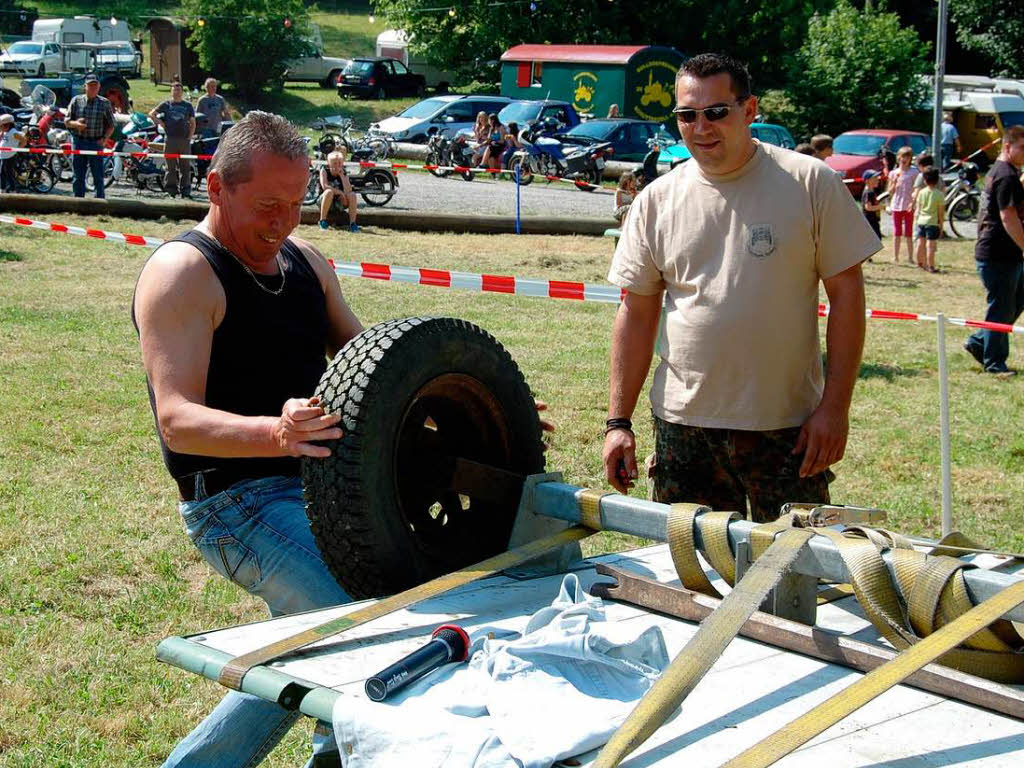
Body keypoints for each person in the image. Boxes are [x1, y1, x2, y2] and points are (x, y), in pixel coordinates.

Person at [132, 111, 360, 767]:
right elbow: (176, 417)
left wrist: (459, 391)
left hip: (319, 489)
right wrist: (276, 434)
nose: (283, 223)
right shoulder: (184, 273)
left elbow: (370, 362)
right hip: (232, 504)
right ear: (216, 188)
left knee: (318, 640)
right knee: (354, 620)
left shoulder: (308, 263)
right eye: (266, 205)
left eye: (296, 204)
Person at [602, 53, 878, 522]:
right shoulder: (657, 199)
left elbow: (848, 297)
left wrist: (835, 409)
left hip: (786, 428)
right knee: (691, 579)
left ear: (749, 110)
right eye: (687, 115)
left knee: (793, 576)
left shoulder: (810, 182)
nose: (701, 127)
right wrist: (618, 422)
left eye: (716, 112)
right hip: (684, 425)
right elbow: (638, 311)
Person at [963, 125, 1024, 376]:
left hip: (1006, 254)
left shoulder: (1005, 172)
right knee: (1001, 307)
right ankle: (995, 362)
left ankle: (979, 341)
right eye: (1023, 148)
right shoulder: (1006, 175)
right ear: (1007, 146)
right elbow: (1008, 217)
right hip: (998, 253)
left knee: (1016, 301)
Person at [65, 73, 115, 199]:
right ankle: (78, 202)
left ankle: (99, 203)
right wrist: (76, 124)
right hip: (79, 142)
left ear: (99, 87)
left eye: (95, 86)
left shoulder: (105, 103)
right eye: (90, 86)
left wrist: (104, 140)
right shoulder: (76, 100)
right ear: (85, 87)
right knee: (78, 176)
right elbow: (67, 121)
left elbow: (111, 125)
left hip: (96, 143)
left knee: (98, 175)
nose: (93, 88)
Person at [150, 81, 196, 198]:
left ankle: (185, 191)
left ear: (182, 92)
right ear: (171, 91)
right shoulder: (166, 104)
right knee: (170, 167)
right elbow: (151, 114)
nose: (177, 92)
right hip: (170, 139)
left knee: (185, 167)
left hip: (184, 140)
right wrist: (161, 123)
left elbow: (193, 123)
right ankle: (171, 190)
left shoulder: (188, 106)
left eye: (179, 90)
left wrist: (189, 137)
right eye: (174, 90)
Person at [887, 146, 918, 264]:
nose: (904, 159)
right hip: (896, 205)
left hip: (909, 205)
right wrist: (894, 183)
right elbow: (890, 191)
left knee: (909, 232)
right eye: (902, 156)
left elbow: (916, 188)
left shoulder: (914, 172)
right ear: (898, 157)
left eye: (907, 157)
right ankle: (895, 256)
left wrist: (913, 202)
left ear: (910, 159)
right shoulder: (894, 173)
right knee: (897, 232)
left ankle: (910, 257)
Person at [318, 149, 359, 232]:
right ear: (329, 164)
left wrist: (342, 177)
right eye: (335, 163)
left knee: (352, 195)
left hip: (339, 202)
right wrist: (340, 192)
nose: (337, 166)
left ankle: (353, 224)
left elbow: (348, 190)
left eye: (340, 163)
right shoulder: (324, 170)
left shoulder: (344, 172)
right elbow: (325, 186)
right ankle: (322, 221)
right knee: (329, 192)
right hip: (325, 200)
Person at [913, 167, 945, 273]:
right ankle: (931, 266)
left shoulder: (921, 192)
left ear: (924, 180)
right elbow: (940, 213)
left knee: (920, 243)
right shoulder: (939, 194)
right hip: (932, 222)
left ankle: (920, 263)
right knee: (930, 246)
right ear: (937, 180)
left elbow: (918, 207)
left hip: (921, 221)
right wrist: (941, 225)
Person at [0, 113, 25, 192]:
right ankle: (3, 188)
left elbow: (23, 140)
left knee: (8, 173)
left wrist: (17, 149)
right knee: (2, 173)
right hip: (3, 155)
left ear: (7, 125)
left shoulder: (13, 133)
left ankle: (12, 189)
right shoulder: (6, 132)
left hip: (9, 156)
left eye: (1, 126)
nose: (0, 128)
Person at [860, 169, 884, 241]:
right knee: (874, 241)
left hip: (873, 220)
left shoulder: (871, 191)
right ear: (867, 181)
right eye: (874, 178)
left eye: (877, 178)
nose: (877, 179)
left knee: (876, 240)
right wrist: (882, 207)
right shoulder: (868, 192)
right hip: (870, 221)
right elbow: (868, 207)